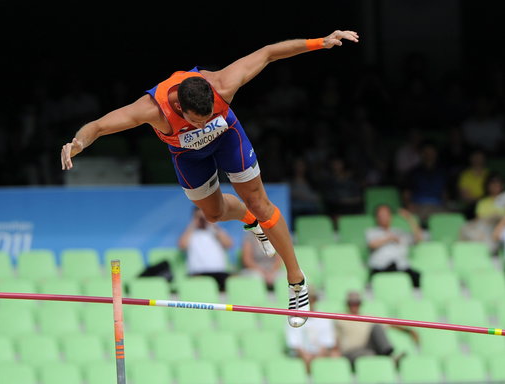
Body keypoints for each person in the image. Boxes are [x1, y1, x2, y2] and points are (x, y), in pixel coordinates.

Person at [60, 30, 360, 327]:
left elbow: (269, 52)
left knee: (260, 202)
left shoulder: (222, 83)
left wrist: (320, 42)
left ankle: (296, 282)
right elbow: (98, 126)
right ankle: (249, 220)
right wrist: (78, 143)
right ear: (179, 107)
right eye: (195, 120)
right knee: (214, 214)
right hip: (188, 156)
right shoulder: (153, 109)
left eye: (207, 117)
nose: (201, 123)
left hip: (227, 138)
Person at [334, 291, 417, 370]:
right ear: (347, 304)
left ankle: (390, 356)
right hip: (350, 352)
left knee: (377, 327)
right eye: (351, 304)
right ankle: (388, 361)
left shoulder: (367, 316)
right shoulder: (341, 318)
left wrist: (408, 331)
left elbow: (389, 324)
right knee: (368, 355)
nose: (354, 306)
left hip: (368, 347)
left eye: (357, 303)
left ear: (360, 304)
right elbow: (334, 338)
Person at [285, 287, 340, 374]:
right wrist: (307, 357)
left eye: (310, 299)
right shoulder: (293, 318)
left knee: (335, 356)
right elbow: (295, 346)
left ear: (315, 300)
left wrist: (317, 357)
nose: (308, 302)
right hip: (301, 356)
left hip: (319, 355)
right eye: (305, 299)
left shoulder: (324, 318)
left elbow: (327, 344)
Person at [366, 204, 423, 288]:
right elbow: (372, 245)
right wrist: (389, 238)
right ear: (377, 217)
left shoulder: (399, 232)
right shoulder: (371, 232)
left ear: (391, 216)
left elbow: (418, 239)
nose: (383, 217)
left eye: (386, 215)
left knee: (419, 279)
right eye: (381, 215)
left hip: (401, 267)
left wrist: (410, 219)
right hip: (381, 268)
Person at [178, 207, 233, 292]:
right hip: (198, 273)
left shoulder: (216, 232)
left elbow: (229, 244)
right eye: (199, 217)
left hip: (220, 273)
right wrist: (193, 223)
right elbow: (182, 245)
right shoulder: (191, 233)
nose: (202, 219)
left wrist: (212, 223)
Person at [457, 148, 489, 219]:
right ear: (470, 158)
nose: (477, 159)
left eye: (480, 157)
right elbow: (464, 196)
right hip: (471, 206)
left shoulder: (489, 174)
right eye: (475, 157)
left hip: (488, 205)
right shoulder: (465, 175)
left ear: (484, 159)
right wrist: (479, 201)